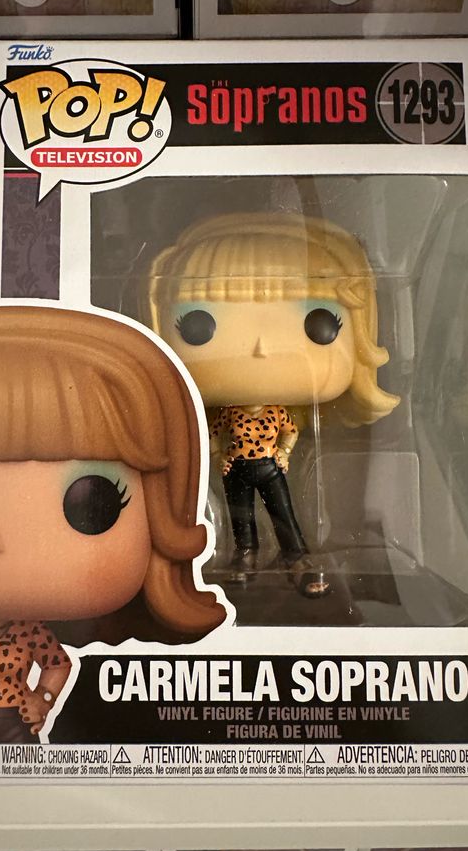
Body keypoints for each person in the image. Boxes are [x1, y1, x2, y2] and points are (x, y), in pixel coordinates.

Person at [0, 305, 225, 743]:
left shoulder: (28, 632)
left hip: (13, 725)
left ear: (163, 515)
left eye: (91, 502)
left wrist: (43, 701)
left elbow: (57, 665)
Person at [147, 212, 399, 598]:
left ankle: (294, 555)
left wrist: (283, 453)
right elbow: (214, 434)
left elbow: (290, 431)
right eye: (198, 325)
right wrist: (218, 456)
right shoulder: (227, 414)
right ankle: (245, 556)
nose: (261, 347)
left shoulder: (279, 413)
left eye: (319, 323)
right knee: (242, 518)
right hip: (236, 469)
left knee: (283, 512)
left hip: (269, 466)